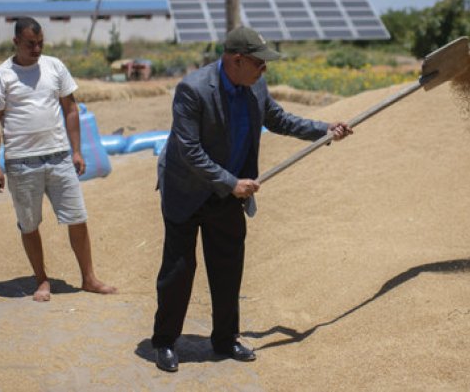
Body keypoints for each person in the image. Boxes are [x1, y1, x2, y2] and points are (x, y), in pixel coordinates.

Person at [151, 26, 353, 372]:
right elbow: (188, 150)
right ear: (237, 60)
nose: (265, 69)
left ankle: (225, 339)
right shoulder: (193, 89)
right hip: (188, 190)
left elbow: (277, 119)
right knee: (179, 270)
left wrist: (323, 130)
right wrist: (230, 182)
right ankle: (166, 342)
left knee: (228, 267)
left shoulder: (255, 84)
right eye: (260, 63)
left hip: (230, 191)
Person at [0, 16, 116, 302]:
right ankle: (42, 280)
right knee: (29, 225)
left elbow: (71, 109)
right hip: (21, 162)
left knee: (77, 218)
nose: (37, 49)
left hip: (59, 157)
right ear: (16, 42)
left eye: (41, 43)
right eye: (30, 44)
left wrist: (76, 150)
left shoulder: (55, 66)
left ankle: (89, 278)